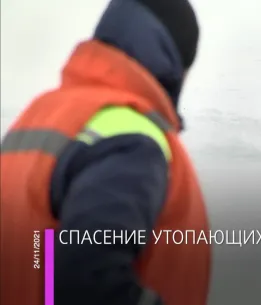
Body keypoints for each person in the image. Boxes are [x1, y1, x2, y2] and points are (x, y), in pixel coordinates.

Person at [0, 1, 210, 305]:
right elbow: (86, 276)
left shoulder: (41, 115)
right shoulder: (130, 136)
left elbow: (42, 261)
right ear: (173, 60)